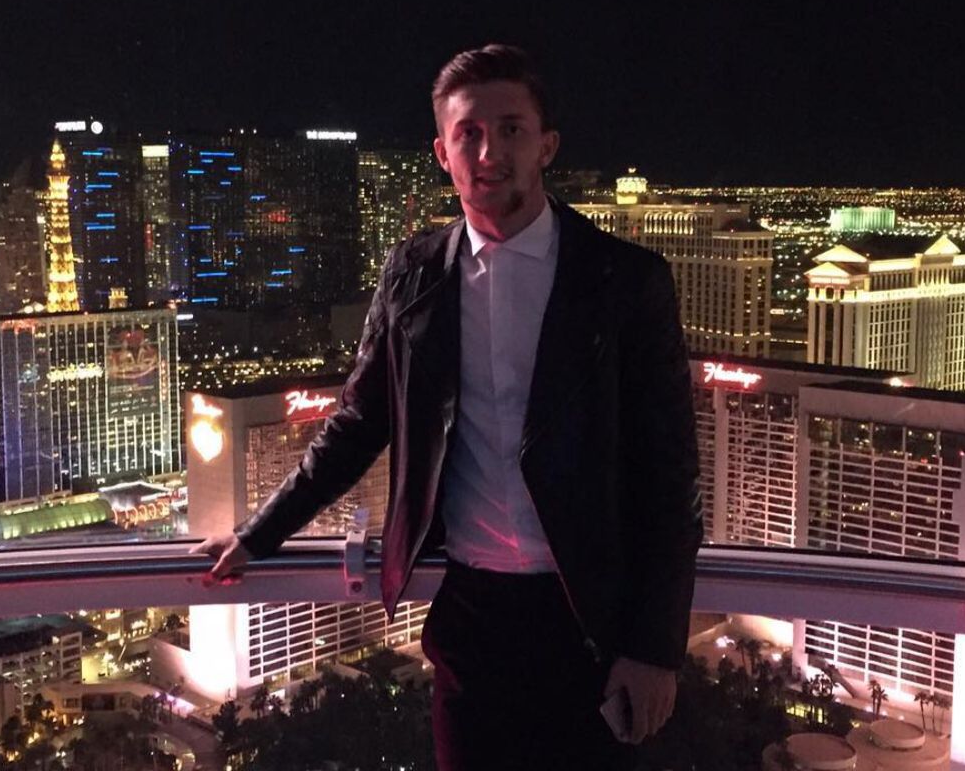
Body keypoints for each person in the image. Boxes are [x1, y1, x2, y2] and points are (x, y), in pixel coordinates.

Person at [195, 44, 702, 770]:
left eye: (512, 129)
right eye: (469, 133)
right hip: (471, 619)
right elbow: (358, 424)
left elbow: (669, 477)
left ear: (547, 145)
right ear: (442, 153)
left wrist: (655, 648)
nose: (489, 152)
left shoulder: (624, 281)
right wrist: (258, 534)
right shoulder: (413, 273)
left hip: (595, 617)